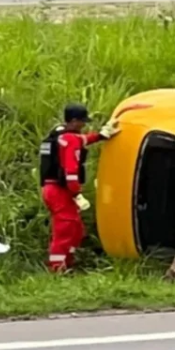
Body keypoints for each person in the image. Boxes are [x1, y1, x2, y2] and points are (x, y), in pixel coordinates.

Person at [39, 104, 120, 272]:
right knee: (65, 230)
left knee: (75, 230)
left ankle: (68, 263)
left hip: (53, 189)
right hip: (60, 190)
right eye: (82, 122)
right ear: (74, 121)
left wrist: (101, 136)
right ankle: (57, 268)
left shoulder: (60, 134)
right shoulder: (70, 140)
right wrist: (76, 193)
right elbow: (70, 171)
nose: (84, 125)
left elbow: (84, 140)